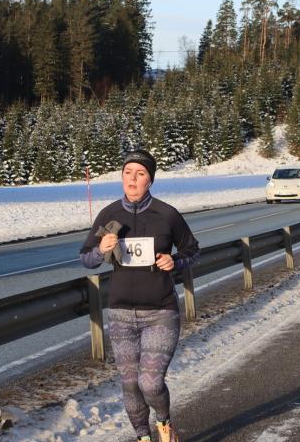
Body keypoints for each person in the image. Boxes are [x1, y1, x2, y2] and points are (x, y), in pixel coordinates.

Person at [80, 150, 199, 442]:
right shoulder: (109, 214)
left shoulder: (166, 214)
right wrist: (101, 250)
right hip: (120, 313)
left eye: (140, 173)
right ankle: (142, 437)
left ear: (150, 180)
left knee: (150, 381)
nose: (133, 179)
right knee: (130, 383)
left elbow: (192, 250)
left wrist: (176, 262)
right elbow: (86, 259)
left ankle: (164, 423)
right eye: (128, 172)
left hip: (160, 312)